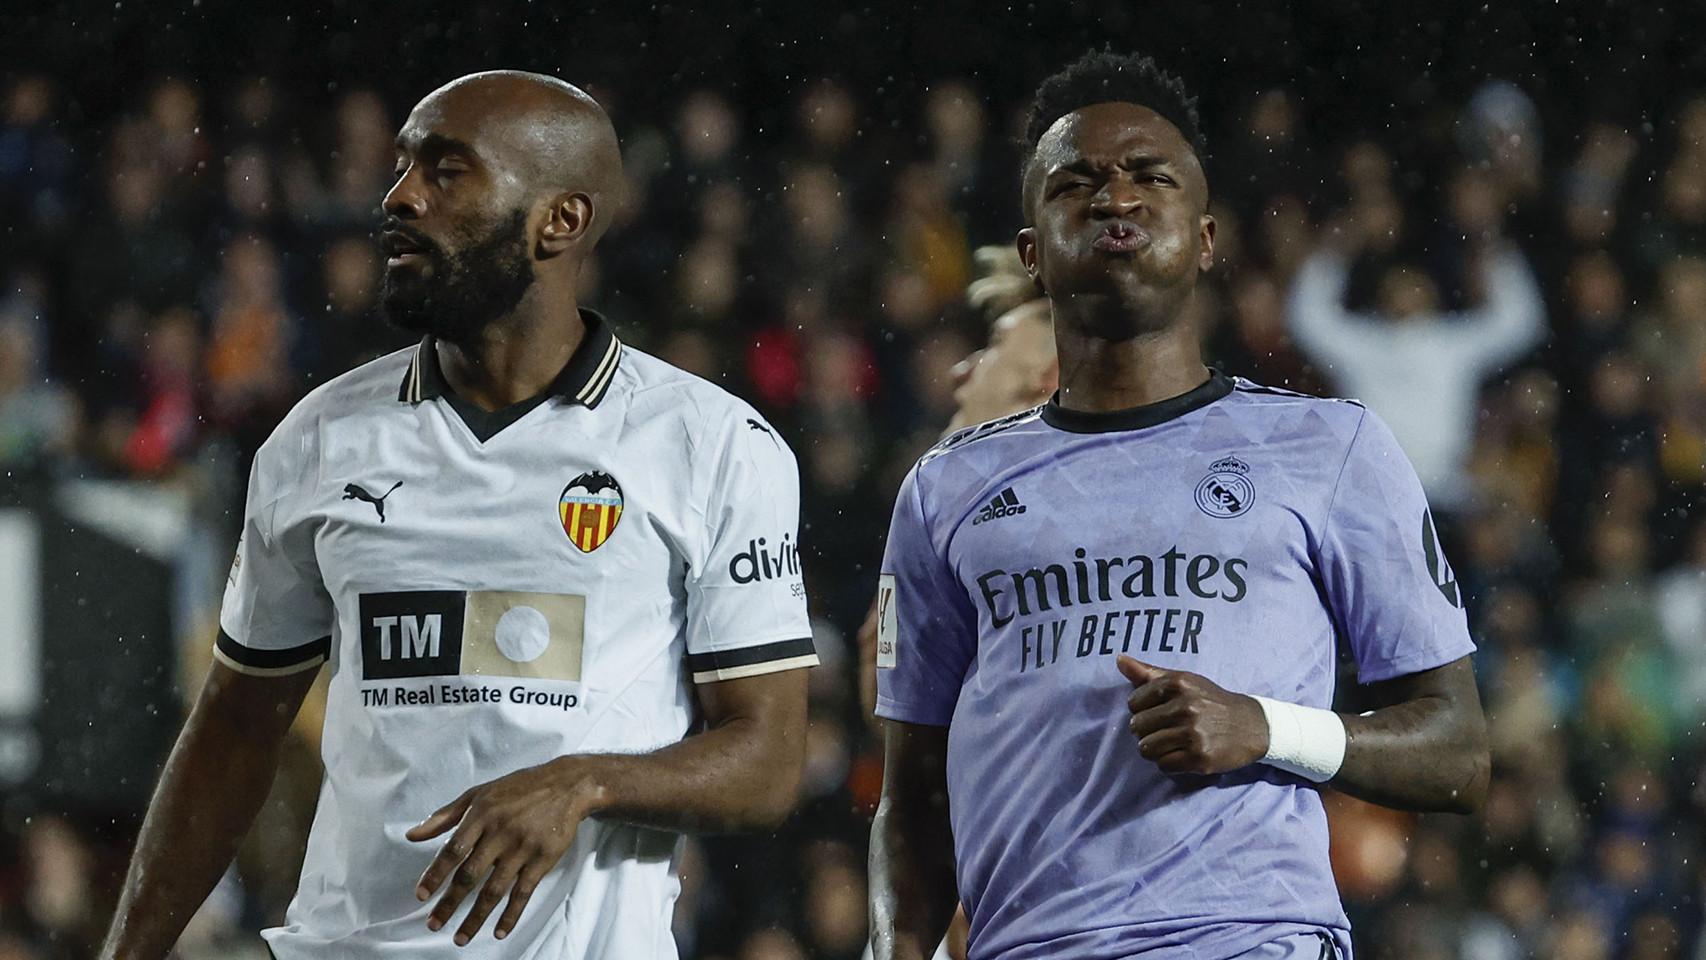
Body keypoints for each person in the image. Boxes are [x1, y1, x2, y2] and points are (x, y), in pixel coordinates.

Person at [100, 71, 816, 960]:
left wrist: (581, 785)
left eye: (447, 173)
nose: (399, 197)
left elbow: (769, 758)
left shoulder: (711, 444)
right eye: (403, 167)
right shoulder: (319, 439)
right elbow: (235, 727)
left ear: (562, 221)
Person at [868, 51, 1490, 960]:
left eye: (1147, 176)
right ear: (1033, 254)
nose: (1115, 196)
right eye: (1076, 182)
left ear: (1204, 239)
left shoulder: (1331, 448)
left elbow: (1458, 752)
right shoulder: (945, 489)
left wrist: (1264, 727)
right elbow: (912, 799)